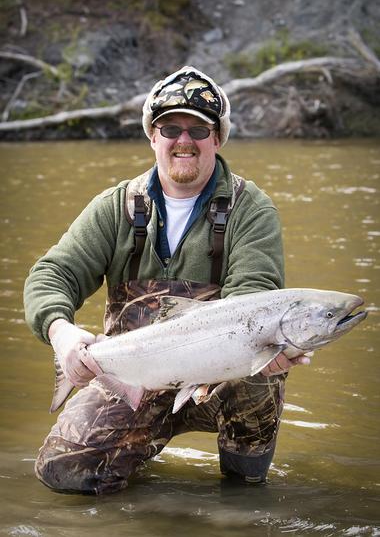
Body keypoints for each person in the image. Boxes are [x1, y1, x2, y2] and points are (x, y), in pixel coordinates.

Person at [24, 66, 311, 495]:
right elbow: (52, 274)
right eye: (171, 127)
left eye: (199, 129)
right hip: (133, 375)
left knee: (260, 365)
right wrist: (62, 334)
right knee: (62, 473)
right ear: (152, 136)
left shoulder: (251, 209)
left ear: (217, 138)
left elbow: (253, 300)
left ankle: (242, 489)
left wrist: (266, 347)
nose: (184, 140)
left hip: (222, 377)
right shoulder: (114, 207)